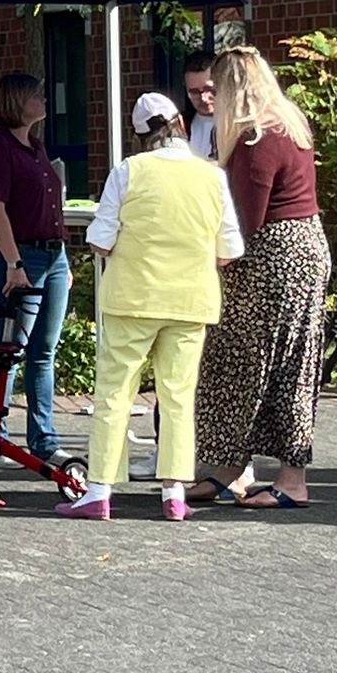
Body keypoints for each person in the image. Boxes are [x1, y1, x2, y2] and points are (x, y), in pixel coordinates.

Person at [58, 93, 243, 521]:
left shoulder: (128, 171)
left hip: (132, 299)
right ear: (181, 123)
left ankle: (99, 490)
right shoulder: (212, 176)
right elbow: (229, 249)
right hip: (191, 301)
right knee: (177, 396)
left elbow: (99, 240)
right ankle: (174, 493)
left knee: (114, 392)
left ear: (139, 135)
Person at [189, 45, 331, 509]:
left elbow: (243, 220)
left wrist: (206, 260)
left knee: (244, 362)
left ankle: (287, 480)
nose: (211, 98)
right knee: (284, 362)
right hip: (303, 248)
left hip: (272, 256)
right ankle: (234, 469)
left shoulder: (255, 139)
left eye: (217, 88)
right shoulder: (289, 124)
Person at [0, 72, 70, 465]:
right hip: (23, 257)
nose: (44, 100)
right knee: (10, 350)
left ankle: (44, 439)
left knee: (44, 351)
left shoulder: (36, 146)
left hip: (53, 255)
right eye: (37, 95)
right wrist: (14, 263)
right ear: (18, 101)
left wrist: (63, 258)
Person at [183, 52, 218, 160]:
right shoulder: (181, 126)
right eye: (194, 92)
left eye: (209, 89)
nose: (203, 98)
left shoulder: (237, 126)